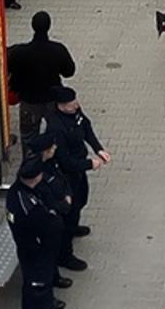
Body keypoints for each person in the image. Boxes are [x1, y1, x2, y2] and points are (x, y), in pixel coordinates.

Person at [45, 87, 110, 237]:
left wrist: (98, 149)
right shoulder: (56, 128)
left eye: (75, 102)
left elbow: (86, 126)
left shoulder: (74, 111)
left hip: (78, 167)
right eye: (71, 104)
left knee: (81, 199)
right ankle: (66, 237)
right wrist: (89, 164)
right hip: (66, 174)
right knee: (71, 206)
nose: (76, 106)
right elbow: (65, 162)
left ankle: (73, 226)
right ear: (61, 105)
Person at [6, 157, 68, 309]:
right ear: (36, 177)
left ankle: (48, 298)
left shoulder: (17, 190)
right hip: (35, 247)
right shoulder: (29, 207)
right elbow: (50, 224)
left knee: (44, 274)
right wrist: (59, 211)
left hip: (32, 244)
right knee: (38, 282)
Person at [10, 10, 76, 145]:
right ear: (49, 26)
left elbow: (12, 75)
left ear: (32, 26)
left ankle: (31, 157)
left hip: (29, 101)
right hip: (52, 99)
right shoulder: (58, 49)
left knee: (29, 137)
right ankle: (53, 154)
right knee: (57, 132)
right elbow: (69, 72)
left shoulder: (19, 52)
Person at [24, 133, 85, 274]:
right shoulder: (37, 172)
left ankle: (67, 245)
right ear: (45, 151)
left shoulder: (51, 161)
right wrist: (63, 205)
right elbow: (45, 198)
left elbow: (61, 177)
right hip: (53, 214)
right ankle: (63, 260)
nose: (55, 148)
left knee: (68, 227)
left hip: (62, 204)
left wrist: (68, 193)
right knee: (52, 245)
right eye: (52, 147)